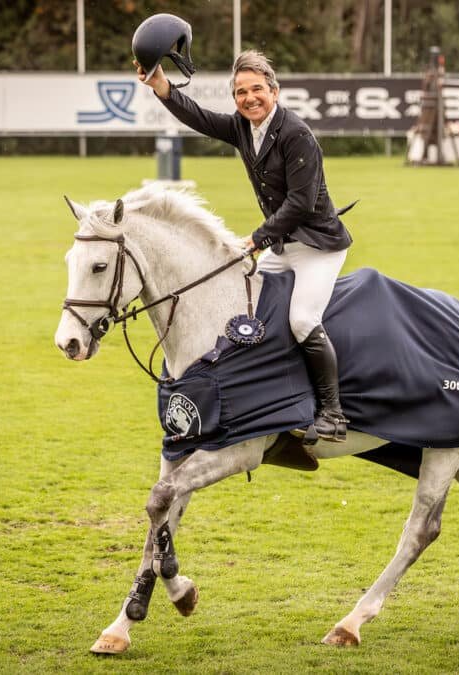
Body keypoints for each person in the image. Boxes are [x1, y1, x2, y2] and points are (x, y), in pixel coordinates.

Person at [136, 49, 353, 443]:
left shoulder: (296, 134)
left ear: (274, 91)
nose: (249, 98)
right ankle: (265, 397)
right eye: (240, 92)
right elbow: (201, 118)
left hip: (318, 247)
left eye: (257, 89)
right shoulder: (242, 127)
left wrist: (256, 238)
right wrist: (163, 87)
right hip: (283, 246)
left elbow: (301, 204)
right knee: (242, 305)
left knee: (302, 320)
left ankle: (333, 415)